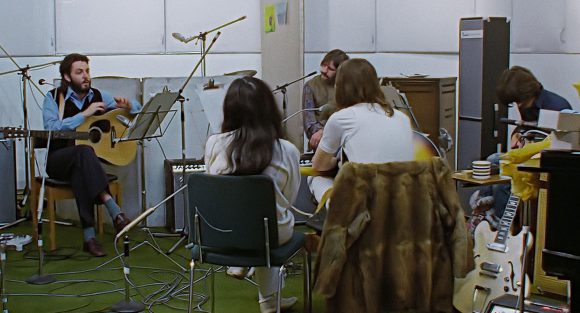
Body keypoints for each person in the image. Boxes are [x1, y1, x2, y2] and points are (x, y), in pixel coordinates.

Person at [204, 76, 301, 313]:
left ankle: (243, 265)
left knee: (258, 225)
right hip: (270, 233)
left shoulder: (214, 144)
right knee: (268, 223)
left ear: (229, 110)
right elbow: (289, 199)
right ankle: (269, 300)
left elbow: (213, 190)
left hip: (221, 234)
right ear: (269, 108)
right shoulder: (287, 150)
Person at [42, 53, 141, 257]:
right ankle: (113, 209)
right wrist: (84, 114)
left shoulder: (99, 95)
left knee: (83, 162)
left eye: (87, 71)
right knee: (84, 153)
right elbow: (51, 129)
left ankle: (89, 238)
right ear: (67, 77)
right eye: (79, 72)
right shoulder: (52, 98)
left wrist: (129, 105)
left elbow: (138, 110)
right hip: (58, 160)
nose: (86, 76)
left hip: (83, 164)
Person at [469, 65, 572, 225]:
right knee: (491, 160)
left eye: (519, 101)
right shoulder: (527, 104)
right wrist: (516, 135)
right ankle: (483, 208)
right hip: (527, 156)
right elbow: (523, 127)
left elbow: (560, 143)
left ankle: (500, 225)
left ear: (529, 92)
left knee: (502, 182)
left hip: (544, 162)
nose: (519, 106)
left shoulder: (557, 106)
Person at [310, 58, 415, 203]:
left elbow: (318, 165)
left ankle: (339, 219)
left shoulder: (341, 118)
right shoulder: (402, 118)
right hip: (404, 204)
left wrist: (337, 163)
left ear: (339, 87)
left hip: (365, 206)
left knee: (316, 179)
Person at [302, 49, 349, 150]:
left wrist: (324, 130)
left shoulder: (347, 86)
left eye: (330, 69)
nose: (324, 70)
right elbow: (309, 122)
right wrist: (320, 133)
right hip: (320, 143)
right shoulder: (310, 86)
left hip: (344, 142)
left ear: (340, 71)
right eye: (323, 65)